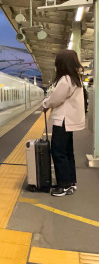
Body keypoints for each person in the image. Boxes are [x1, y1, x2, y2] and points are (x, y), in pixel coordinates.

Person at [41, 50, 85, 197]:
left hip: (63, 121)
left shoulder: (66, 79)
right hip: (69, 120)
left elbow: (56, 98)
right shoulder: (74, 78)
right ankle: (71, 182)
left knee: (58, 152)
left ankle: (64, 185)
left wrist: (45, 104)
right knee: (67, 152)